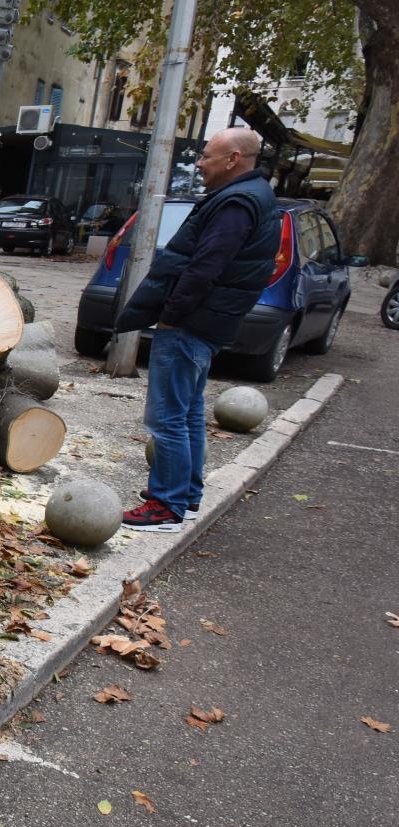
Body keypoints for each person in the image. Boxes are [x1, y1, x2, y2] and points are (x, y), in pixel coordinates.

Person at [115, 127, 279, 532]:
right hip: (207, 321)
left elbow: (206, 266)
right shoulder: (251, 196)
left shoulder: (237, 203)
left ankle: (165, 506)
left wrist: (171, 313)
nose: (199, 163)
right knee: (188, 413)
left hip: (191, 323)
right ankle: (185, 496)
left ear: (233, 159)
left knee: (167, 417)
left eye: (207, 156)